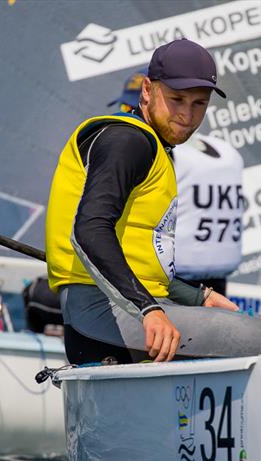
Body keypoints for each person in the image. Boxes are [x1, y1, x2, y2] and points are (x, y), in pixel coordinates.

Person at [45, 39, 261, 365]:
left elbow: (140, 261)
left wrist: (197, 296)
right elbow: (88, 231)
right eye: (176, 99)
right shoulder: (128, 141)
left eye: (199, 104)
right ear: (147, 90)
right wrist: (149, 310)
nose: (187, 116)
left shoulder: (157, 148)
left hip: (130, 309)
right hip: (102, 315)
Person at [109, 70, 245, 296]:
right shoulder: (225, 151)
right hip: (217, 277)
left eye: (129, 110)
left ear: (149, 97)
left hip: (171, 277)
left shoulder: (155, 149)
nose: (129, 117)